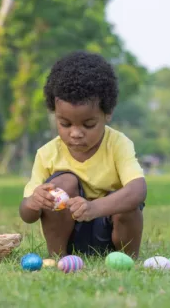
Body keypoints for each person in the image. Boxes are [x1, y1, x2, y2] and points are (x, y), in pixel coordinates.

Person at [19, 51, 147, 259]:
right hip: (71, 236)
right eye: (65, 124)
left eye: (88, 124)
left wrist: (94, 208)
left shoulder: (117, 144)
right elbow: (26, 215)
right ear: (55, 114)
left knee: (127, 204)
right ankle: (58, 257)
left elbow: (138, 190)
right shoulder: (47, 154)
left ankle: (128, 258)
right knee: (64, 182)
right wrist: (33, 202)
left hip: (110, 232)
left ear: (108, 113)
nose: (76, 133)